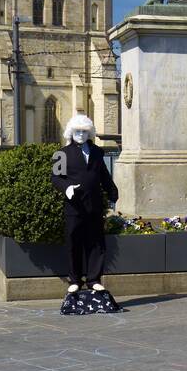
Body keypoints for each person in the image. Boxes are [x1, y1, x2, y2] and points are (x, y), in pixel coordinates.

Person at [53, 114, 119, 293]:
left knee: (96, 242)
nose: (81, 135)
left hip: (94, 204)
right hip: (74, 206)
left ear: (89, 132)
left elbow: (103, 174)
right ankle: (74, 279)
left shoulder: (97, 152)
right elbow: (56, 177)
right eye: (77, 131)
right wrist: (67, 188)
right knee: (74, 241)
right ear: (71, 132)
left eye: (84, 131)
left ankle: (93, 279)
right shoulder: (62, 154)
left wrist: (112, 191)